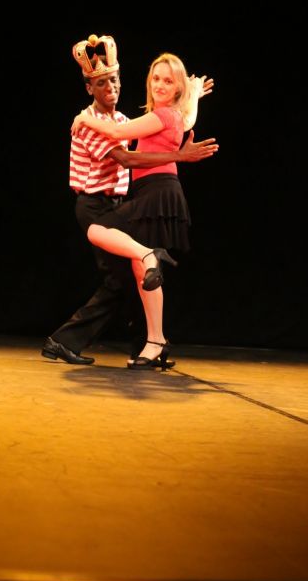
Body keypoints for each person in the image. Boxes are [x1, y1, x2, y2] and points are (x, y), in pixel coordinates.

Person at [42, 34, 218, 366]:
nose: (111, 88)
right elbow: (128, 159)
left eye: (115, 81)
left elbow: (175, 123)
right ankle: (72, 341)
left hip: (120, 203)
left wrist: (191, 97)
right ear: (89, 89)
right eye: (102, 83)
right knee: (123, 277)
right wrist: (180, 154)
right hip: (94, 204)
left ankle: (147, 345)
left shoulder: (123, 120)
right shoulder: (90, 124)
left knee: (134, 276)